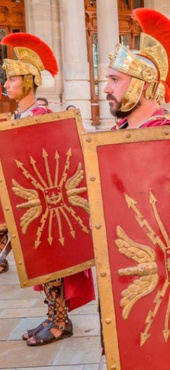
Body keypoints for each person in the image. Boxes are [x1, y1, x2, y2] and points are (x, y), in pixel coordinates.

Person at [104, 8, 170, 370]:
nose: (106, 88)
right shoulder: (120, 131)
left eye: (115, 80)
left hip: (165, 266)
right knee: (139, 342)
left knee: (167, 345)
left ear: (140, 85)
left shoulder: (169, 134)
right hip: (128, 262)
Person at [1, 32, 96, 345]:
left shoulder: (43, 116)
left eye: (11, 79)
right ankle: (52, 315)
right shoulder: (20, 116)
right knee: (42, 267)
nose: (5, 85)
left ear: (27, 81)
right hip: (30, 204)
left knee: (53, 266)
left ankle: (60, 322)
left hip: (48, 205)